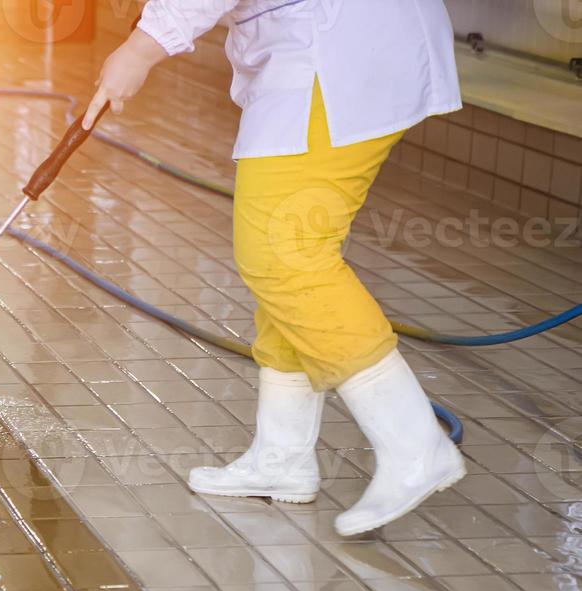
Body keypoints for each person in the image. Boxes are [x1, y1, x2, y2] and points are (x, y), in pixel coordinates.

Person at [85, 0, 466, 536]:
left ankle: (414, 444)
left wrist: (141, 48)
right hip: (329, 43)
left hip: (337, 50)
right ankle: (282, 457)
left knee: (284, 253)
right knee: (284, 252)